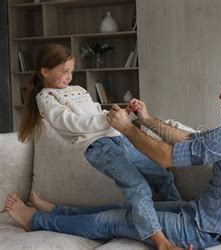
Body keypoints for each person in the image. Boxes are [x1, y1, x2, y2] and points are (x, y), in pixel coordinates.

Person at [7, 62, 221, 249]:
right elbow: (191, 140)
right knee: (128, 207)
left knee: (116, 220)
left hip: (207, 232)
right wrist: (145, 119)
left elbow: (166, 158)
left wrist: (126, 128)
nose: (220, 94)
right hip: (205, 218)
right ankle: (60, 211)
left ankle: (36, 220)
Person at [16, 43, 182, 247]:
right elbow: (70, 123)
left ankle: (182, 214)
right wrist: (107, 121)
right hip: (99, 146)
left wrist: (121, 113)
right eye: (64, 71)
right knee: (137, 186)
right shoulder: (47, 98)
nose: (69, 76)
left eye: (71, 71)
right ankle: (161, 240)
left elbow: (97, 114)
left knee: (161, 174)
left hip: (118, 137)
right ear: (45, 71)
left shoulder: (78, 89)